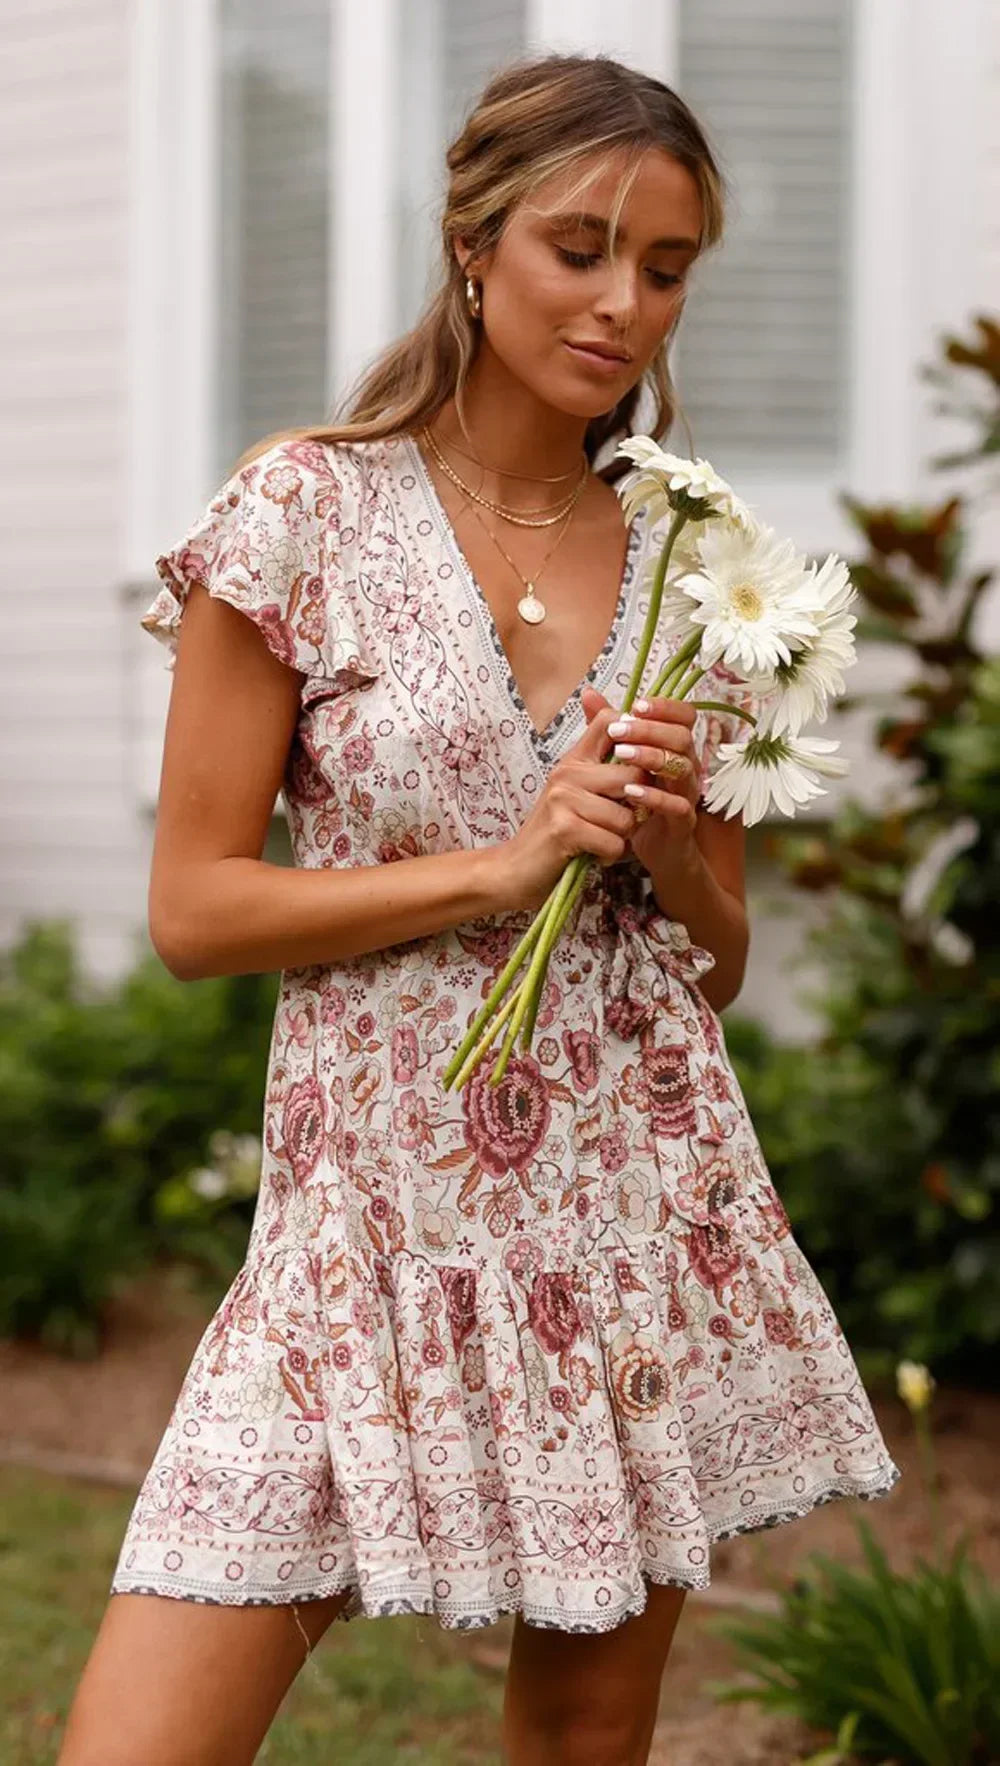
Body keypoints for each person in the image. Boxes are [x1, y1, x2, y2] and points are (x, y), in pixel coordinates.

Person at [59, 50, 900, 1766]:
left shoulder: (691, 563)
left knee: (583, 1742)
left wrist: (667, 853)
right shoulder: (304, 507)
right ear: (475, 241)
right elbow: (198, 909)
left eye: (665, 268)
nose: (623, 303)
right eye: (579, 246)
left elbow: (717, 963)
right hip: (359, 1240)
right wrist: (503, 865)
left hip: (632, 1227)